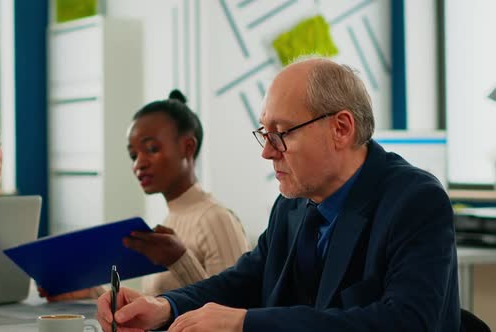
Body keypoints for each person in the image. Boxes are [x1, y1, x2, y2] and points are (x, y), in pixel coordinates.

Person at [96, 58, 461, 331]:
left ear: (341, 128)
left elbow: (406, 322)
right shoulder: (292, 205)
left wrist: (245, 324)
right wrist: (163, 306)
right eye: (265, 133)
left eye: (281, 133)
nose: (267, 151)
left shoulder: (415, 201)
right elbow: (245, 280)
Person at [41, 90, 249, 302]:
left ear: (188, 147)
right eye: (133, 155)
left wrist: (179, 260)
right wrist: (91, 294)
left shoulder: (217, 219)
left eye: (151, 149)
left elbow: (232, 312)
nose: (139, 163)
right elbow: (157, 309)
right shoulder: (169, 222)